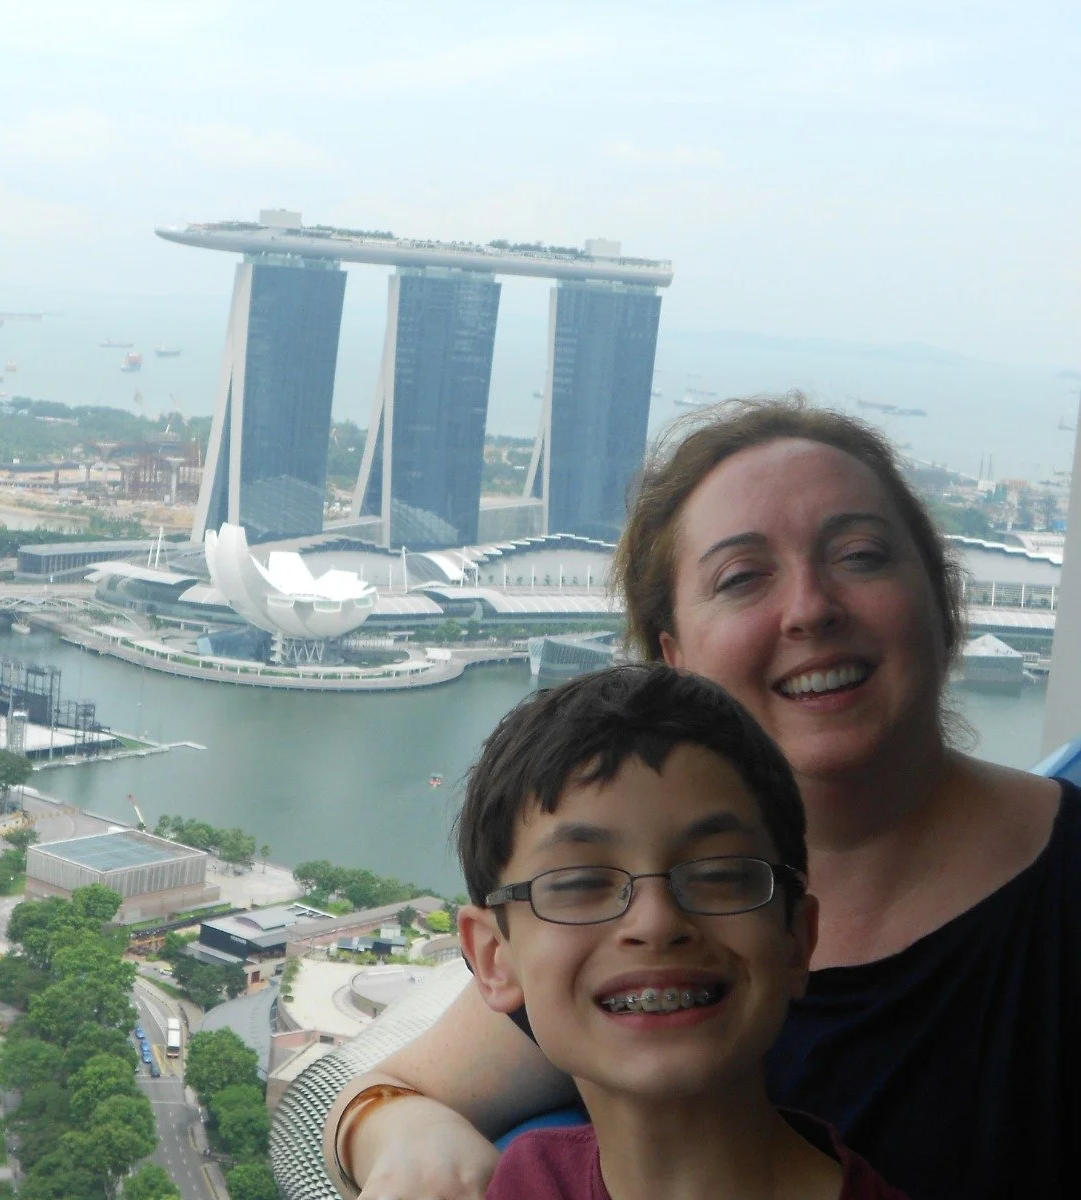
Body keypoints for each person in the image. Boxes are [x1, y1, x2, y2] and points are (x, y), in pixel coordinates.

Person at [323, 397, 1078, 1200]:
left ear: (939, 601)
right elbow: (394, 1091)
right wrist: (402, 1129)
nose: (811, 608)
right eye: (743, 577)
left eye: (859, 556)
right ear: (671, 662)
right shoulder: (630, 923)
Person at [446, 663, 905, 1199]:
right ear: (492, 957)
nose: (656, 922)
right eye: (580, 883)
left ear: (797, 940)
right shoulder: (530, 1181)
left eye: (720, 875)